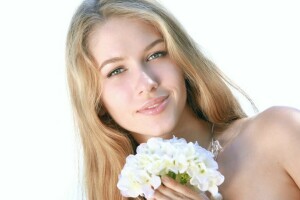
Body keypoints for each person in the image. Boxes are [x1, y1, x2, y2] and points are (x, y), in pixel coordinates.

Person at [65, 0, 300, 199]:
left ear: (182, 59)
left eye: (156, 54)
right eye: (116, 71)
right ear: (96, 101)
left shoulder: (278, 133)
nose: (147, 83)